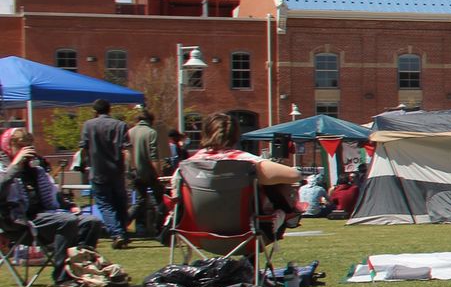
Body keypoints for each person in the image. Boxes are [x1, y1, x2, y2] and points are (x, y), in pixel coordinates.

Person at [0, 128, 105, 285]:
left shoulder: (36, 170)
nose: (26, 151)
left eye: (29, 146)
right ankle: (62, 277)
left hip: (45, 216)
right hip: (17, 221)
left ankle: (81, 269)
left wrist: (69, 205)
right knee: (67, 221)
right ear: (9, 146)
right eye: (21, 146)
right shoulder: (3, 168)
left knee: (91, 222)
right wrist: (15, 165)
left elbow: (52, 193)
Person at [173, 112, 305, 235]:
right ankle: (285, 216)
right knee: (273, 185)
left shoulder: (186, 166)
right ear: (236, 135)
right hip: (246, 232)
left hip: (196, 233)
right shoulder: (247, 162)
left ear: (205, 133)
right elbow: (295, 175)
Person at [76, 99, 131, 248]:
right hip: (117, 171)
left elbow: (84, 148)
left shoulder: (88, 125)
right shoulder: (120, 126)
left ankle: (117, 233)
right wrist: (128, 169)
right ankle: (122, 232)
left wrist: (83, 164)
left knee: (105, 204)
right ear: (109, 110)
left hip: (98, 171)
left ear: (95, 111)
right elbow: (126, 150)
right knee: (120, 203)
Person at [125, 111, 164, 239]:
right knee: (160, 201)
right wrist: (159, 174)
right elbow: (154, 156)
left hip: (134, 172)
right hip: (149, 173)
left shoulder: (130, 132)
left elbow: (126, 153)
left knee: (140, 201)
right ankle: (160, 228)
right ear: (150, 120)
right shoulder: (151, 132)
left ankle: (123, 223)